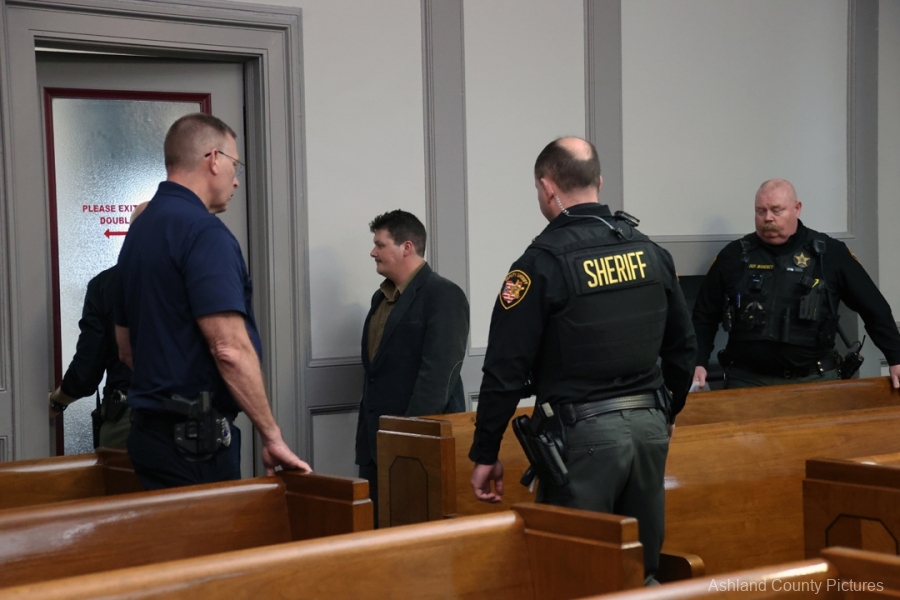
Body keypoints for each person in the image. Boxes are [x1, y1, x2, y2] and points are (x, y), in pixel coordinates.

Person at [468, 137, 696, 585]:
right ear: (599, 182)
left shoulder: (539, 265)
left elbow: (505, 369)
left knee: (573, 574)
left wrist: (486, 451)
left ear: (547, 187)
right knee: (639, 569)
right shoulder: (651, 252)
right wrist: (669, 411)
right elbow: (683, 349)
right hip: (649, 428)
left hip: (584, 436)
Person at [115, 113, 310, 491]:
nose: (236, 180)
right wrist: (271, 436)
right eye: (235, 165)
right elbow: (229, 349)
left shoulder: (139, 229)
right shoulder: (204, 234)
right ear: (214, 159)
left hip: (149, 439)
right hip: (194, 447)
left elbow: (126, 348)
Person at [691, 179, 900, 390]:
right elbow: (704, 315)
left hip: (814, 380)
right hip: (746, 380)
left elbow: (875, 309)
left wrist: (896, 357)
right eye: (760, 211)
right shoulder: (734, 255)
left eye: (776, 210)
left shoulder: (830, 254)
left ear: (797, 208)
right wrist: (698, 362)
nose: (768, 217)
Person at [356, 209, 469, 522]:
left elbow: (437, 378)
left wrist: (405, 440)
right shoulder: (380, 299)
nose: (373, 252)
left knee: (416, 538)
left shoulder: (444, 295)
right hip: (375, 446)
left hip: (417, 450)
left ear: (406, 247)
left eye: (380, 245)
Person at [49, 202, 149, 448]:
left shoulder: (107, 284)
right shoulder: (195, 277)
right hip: (193, 422)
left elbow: (87, 370)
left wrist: (57, 401)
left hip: (129, 420)